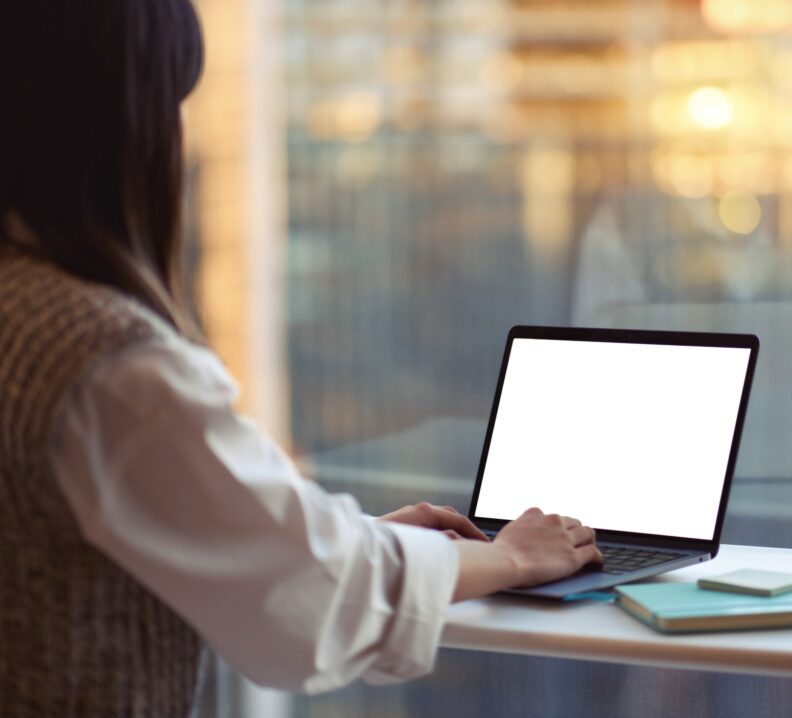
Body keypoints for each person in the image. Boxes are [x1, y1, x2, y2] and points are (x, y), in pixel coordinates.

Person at [0, 2, 601, 715]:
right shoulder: (108, 364)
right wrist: (513, 555)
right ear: (120, 119)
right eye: (175, 99)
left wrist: (355, 540)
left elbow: (242, 550)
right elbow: (310, 599)